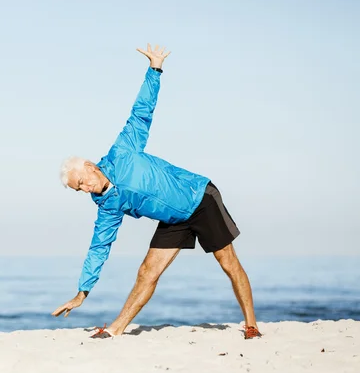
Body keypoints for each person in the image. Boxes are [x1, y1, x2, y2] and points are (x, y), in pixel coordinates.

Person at [51, 43, 261, 340]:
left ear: (89, 166)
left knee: (228, 263)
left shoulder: (122, 152)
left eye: (82, 182)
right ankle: (116, 329)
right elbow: (99, 246)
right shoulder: (107, 204)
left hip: (199, 198)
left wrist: (155, 69)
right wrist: (82, 291)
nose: (85, 189)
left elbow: (140, 113)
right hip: (173, 219)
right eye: (78, 189)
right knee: (147, 272)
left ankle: (251, 324)